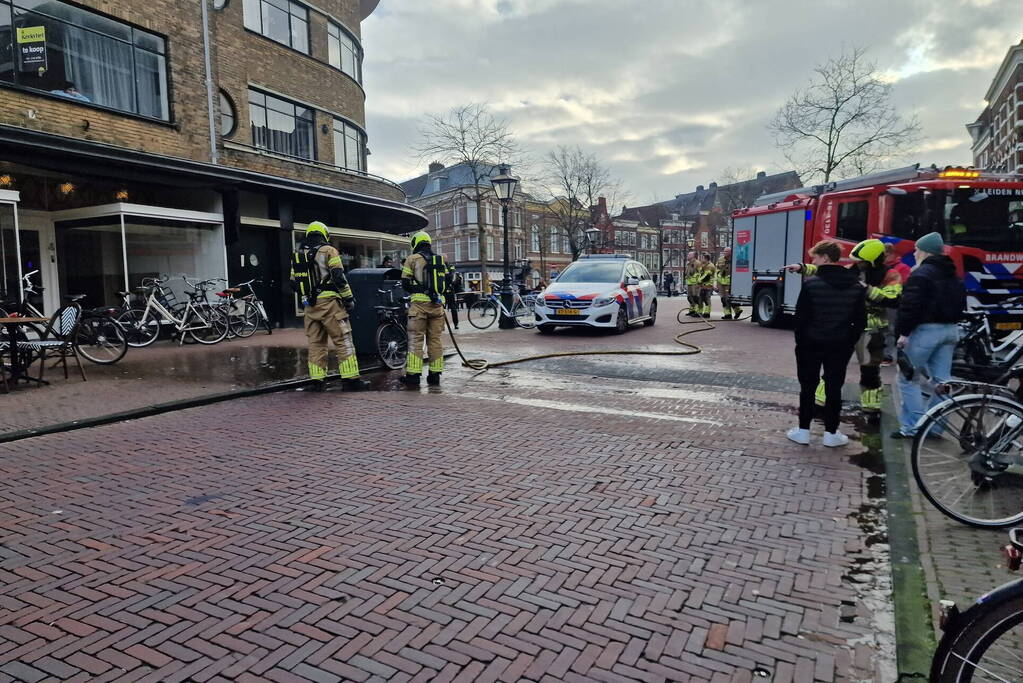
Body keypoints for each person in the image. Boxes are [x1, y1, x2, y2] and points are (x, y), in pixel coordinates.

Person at [786, 238, 902, 414]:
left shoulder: (890, 275)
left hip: (871, 331)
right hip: (847, 328)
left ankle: (871, 408)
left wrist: (866, 289)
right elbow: (829, 271)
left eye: (861, 261)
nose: (857, 264)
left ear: (872, 260)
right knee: (833, 368)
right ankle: (820, 403)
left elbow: (892, 298)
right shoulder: (852, 270)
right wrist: (802, 268)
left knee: (870, 372)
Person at [787, 240, 865, 447]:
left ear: (825, 257)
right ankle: (831, 433)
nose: (813, 261)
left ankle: (803, 430)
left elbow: (801, 319)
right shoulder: (856, 286)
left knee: (808, 387)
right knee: (834, 387)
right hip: (840, 345)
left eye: (815, 257)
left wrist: (801, 342)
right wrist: (848, 341)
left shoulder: (811, 284)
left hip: (810, 344)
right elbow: (860, 321)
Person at [892, 232, 966, 438]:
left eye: (917, 249)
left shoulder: (921, 274)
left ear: (925, 251)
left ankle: (914, 427)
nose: (914, 253)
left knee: (908, 379)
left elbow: (910, 306)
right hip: (950, 330)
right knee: (943, 382)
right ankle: (935, 428)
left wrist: (903, 332)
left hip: (925, 331)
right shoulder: (953, 274)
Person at [290, 221, 367, 391]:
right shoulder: (329, 251)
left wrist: (309, 296)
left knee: (316, 344)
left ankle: (317, 382)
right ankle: (351, 380)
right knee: (343, 340)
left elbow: (293, 283)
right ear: (324, 235)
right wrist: (348, 298)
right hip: (330, 304)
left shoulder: (298, 255)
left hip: (310, 306)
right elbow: (339, 277)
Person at [401, 230, 450, 387]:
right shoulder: (439, 260)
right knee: (435, 340)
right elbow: (448, 280)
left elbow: (405, 283)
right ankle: (435, 376)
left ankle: (413, 377)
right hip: (437, 307)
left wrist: (418, 289)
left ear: (415, 243)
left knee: (416, 340)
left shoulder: (412, 259)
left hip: (419, 308)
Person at [882, 243, 912, 366]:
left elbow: (902, 285)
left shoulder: (902, 268)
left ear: (890, 254)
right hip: (880, 300)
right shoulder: (881, 267)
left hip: (892, 302)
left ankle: (887, 355)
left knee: (889, 329)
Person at [715, 248, 739, 319]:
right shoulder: (720, 259)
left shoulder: (734, 260)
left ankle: (737, 310)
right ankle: (727, 314)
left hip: (729, 283)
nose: (724, 252)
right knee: (723, 299)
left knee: (729, 298)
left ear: (730, 252)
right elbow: (717, 270)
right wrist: (716, 281)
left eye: (726, 251)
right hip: (721, 282)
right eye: (724, 251)